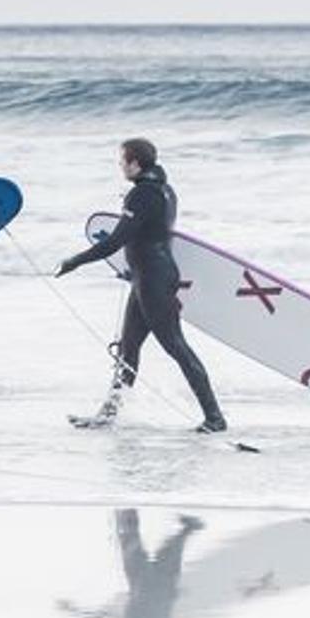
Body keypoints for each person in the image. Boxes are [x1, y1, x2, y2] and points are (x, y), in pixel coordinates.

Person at [56, 136, 229, 434]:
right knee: (128, 350)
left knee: (176, 346)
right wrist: (131, 271)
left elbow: (116, 240)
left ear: (135, 163)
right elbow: (148, 235)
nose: (121, 166)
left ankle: (215, 418)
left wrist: (76, 261)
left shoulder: (143, 195)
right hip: (148, 276)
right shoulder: (164, 190)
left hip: (153, 280)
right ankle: (108, 416)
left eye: (123, 161)